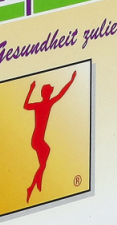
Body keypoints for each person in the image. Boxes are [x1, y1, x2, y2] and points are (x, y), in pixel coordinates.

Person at [23, 71, 77, 203]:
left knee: (43, 162)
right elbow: (61, 93)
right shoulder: (47, 104)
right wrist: (71, 80)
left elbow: (61, 94)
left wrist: (31, 90)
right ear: (48, 93)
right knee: (44, 158)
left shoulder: (42, 104)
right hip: (37, 139)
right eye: (50, 91)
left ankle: (36, 184)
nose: (52, 93)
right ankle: (33, 186)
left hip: (37, 139)